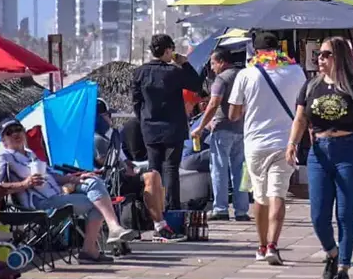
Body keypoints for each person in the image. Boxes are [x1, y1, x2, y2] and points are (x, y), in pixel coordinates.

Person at [285, 38, 353, 279]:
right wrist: (292, 143)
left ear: (339, 57)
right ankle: (332, 252)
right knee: (318, 216)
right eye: (319, 54)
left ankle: (344, 268)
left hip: (350, 151)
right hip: (320, 152)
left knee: (345, 215)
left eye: (326, 54)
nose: (320, 59)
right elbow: (300, 119)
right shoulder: (311, 86)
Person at [0, 119, 138, 263]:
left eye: (18, 129)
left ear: (24, 132)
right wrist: (24, 184)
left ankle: (113, 228)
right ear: (3, 140)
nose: (15, 134)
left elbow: (53, 176)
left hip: (57, 195)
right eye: (9, 133)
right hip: (40, 203)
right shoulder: (3, 158)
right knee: (98, 203)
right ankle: (90, 248)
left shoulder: (30, 154)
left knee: (94, 182)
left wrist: (74, 178)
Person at [228, 31, 307, 265]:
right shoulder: (296, 71)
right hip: (286, 143)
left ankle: (261, 246)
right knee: (278, 194)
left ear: (256, 51)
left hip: (255, 144)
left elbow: (233, 114)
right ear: (279, 50)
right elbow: (303, 106)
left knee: (260, 198)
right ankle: (273, 245)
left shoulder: (246, 74)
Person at [132, 33, 203, 211]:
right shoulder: (174, 72)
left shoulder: (140, 72)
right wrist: (184, 63)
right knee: (171, 169)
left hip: (150, 128)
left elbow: (136, 101)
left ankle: (154, 211)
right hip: (173, 128)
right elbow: (196, 84)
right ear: (168, 50)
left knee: (153, 170)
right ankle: (173, 208)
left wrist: (144, 120)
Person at [93, 100, 182, 241]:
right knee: (151, 177)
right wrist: (127, 169)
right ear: (99, 117)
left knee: (154, 173)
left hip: (121, 175)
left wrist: (132, 167)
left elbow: (123, 159)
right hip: (110, 181)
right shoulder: (96, 139)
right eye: (107, 115)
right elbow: (106, 164)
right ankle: (160, 227)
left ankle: (160, 223)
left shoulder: (111, 134)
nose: (110, 118)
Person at [191, 47, 250, 222]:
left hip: (222, 128)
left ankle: (221, 208)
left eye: (213, 63)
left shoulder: (221, 79)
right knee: (241, 170)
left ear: (221, 62)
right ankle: (242, 210)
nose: (212, 67)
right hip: (241, 128)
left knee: (219, 169)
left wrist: (200, 126)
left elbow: (214, 104)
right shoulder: (244, 75)